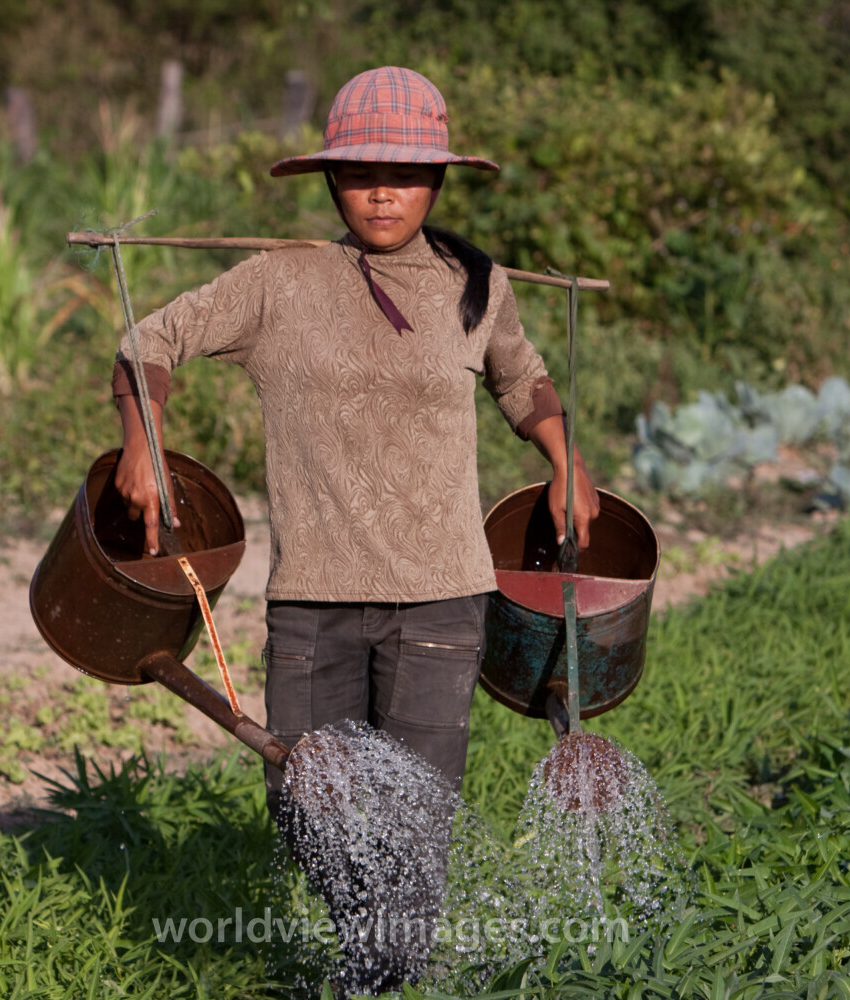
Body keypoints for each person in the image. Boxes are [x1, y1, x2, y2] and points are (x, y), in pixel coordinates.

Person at [111, 66, 599, 812]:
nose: (381, 192)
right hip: (314, 603)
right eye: (360, 173)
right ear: (332, 179)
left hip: (440, 598)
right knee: (312, 815)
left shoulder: (475, 284)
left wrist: (568, 462)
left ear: (436, 180)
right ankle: (362, 933)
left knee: (413, 824)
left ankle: (398, 937)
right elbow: (150, 340)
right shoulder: (280, 281)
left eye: (404, 174)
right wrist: (142, 440)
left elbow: (519, 379)